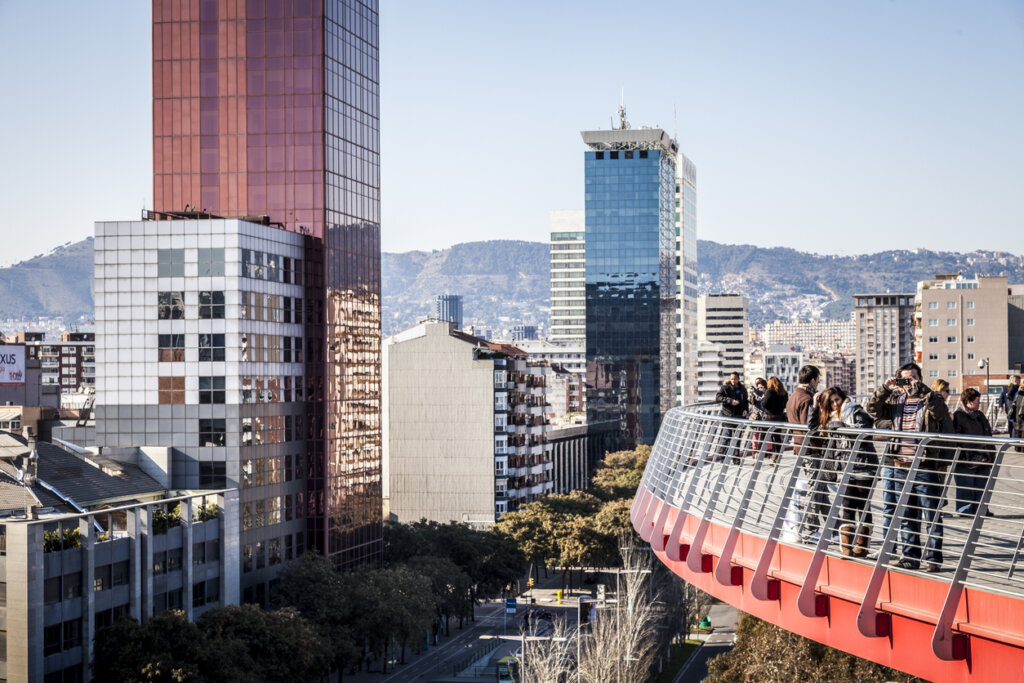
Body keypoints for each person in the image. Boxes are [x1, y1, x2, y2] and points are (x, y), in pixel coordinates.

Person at [866, 362, 954, 573]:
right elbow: (872, 409)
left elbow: (940, 412)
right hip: (899, 464)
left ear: (920, 379)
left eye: (913, 378)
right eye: (904, 379)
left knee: (932, 514)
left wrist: (923, 390)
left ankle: (933, 559)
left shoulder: (931, 399)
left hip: (924, 464)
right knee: (905, 513)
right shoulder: (894, 400)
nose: (908, 383)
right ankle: (910, 557)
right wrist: (885, 388)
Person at [816, 386, 877, 556]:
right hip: (845, 467)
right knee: (847, 505)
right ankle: (847, 547)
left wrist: (841, 426)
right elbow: (812, 427)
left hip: (864, 465)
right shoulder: (830, 418)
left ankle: (862, 546)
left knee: (863, 505)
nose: (835, 404)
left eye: (837, 399)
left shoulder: (857, 412)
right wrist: (816, 405)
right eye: (831, 402)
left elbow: (864, 434)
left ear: (843, 397)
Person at [952, 388, 994, 517]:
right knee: (966, 485)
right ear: (968, 401)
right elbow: (956, 436)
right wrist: (969, 449)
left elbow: (987, 432)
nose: (979, 404)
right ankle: (965, 511)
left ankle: (980, 510)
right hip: (966, 459)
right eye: (977, 401)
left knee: (981, 485)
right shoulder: (959, 415)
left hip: (983, 457)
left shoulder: (979, 415)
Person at [715, 372, 749, 462]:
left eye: (735, 379)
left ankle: (736, 458)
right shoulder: (725, 388)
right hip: (728, 416)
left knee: (737, 438)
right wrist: (730, 401)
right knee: (727, 437)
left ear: (738, 379)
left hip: (739, 416)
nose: (733, 381)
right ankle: (723, 457)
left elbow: (746, 402)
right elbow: (718, 397)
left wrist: (746, 410)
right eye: (732, 379)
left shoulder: (742, 389)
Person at [786, 365, 820, 450]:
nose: (818, 383)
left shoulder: (793, 397)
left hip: (799, 445)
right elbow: (808, 425)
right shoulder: (807, 399)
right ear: (813, 380)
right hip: (809, 447)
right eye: (818, 380)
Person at [761, 376, 789, 459]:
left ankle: (759, 454)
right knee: (777, 437)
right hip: (779, 418)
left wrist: (763, 399)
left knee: (763, 436)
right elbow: (785, 405)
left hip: (769, 418)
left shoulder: (770, 392)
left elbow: (764, 404)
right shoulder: (784, 393)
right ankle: (777, 455)